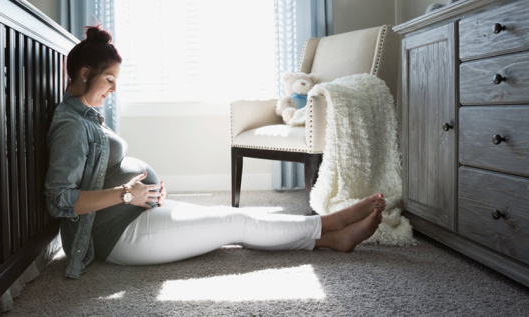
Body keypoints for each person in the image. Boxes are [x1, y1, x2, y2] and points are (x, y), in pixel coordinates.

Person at [44, 26, 385, 279]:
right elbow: (60, 199)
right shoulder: (71, 125)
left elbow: (100, 172)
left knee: (229, 216)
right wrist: (124, 195)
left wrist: (145, 191)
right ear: (85, 74)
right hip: (116, 237)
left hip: (132, 215)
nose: (114, 89)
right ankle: (327, 224)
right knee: (232, 222)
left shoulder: (85, 116)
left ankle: (329, 240)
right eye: (109, 80)